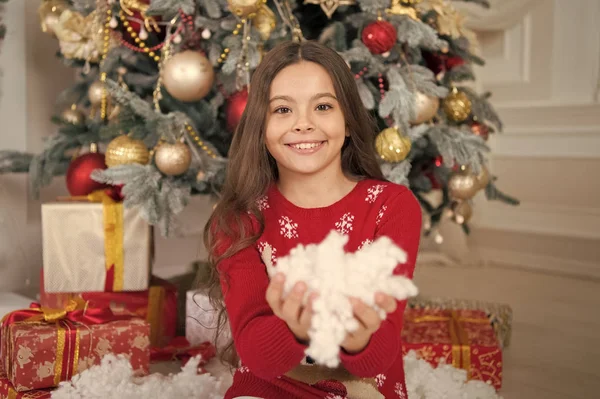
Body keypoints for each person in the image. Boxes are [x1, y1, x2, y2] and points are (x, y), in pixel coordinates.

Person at [203, 40, 422, 399]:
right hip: (267, 388)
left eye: (322, 106)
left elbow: (377, 360)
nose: (303, 124)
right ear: (261, 129)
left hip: (363, 389)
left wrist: (359, 335)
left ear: (349, 123)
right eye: (283, 110)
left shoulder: (392, 206)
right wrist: (296, 329)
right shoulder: (237, 221)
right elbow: (258, 358)